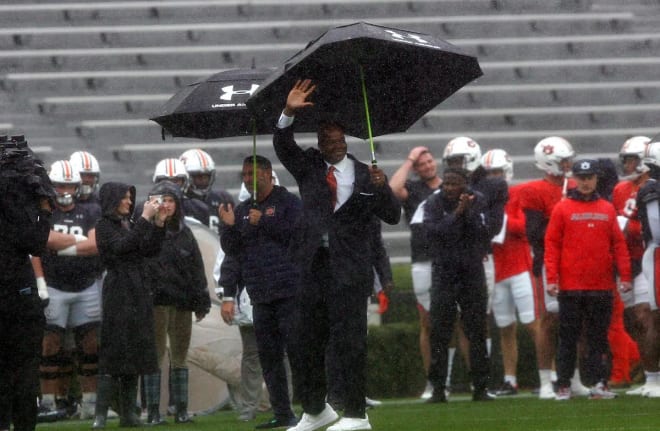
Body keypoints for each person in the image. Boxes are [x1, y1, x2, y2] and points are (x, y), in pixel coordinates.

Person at [274, 79, 401, 431]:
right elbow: (283, 147)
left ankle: (357, 415)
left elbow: (392, 215)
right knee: (304, 341)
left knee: (350, 343)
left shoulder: (365, 174)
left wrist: (383, 188)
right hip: (312, 267)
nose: (330, 143)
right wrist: (288, 111)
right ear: (317, 142)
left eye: (336, 137)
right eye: (323, 138)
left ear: (345, 140)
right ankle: (316, 411)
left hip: (349, 271)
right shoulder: (310, 167)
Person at [219, 155, 302, 430]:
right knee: (269, 358)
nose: (247, 179)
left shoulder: (287, 202)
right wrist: (229, 226)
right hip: (260, 294)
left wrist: (262, 223)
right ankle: (283, 413)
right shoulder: (243, 209)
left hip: (289, 290)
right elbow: (234, 251)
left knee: (299, 352)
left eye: (251, 173)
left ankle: (314, 406)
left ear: (267, 173)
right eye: (243, 175)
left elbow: (298, 234)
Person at [545, 159, 632, 400]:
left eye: (589, 177)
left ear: (596, 179)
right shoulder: (562, 208)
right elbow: (551, 245)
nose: (585, 182)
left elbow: (618, 245)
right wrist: (552, 278)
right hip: (571, 286)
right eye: (581, 178)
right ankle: (564, 385)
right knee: (568, 338)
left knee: (598, 338)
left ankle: (599, 384)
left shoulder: (606, 208)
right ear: (575, 178)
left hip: (601, 285)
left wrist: (624, 276)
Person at [518, 136, 589, 399]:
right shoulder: (533, 191)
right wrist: (562, 219)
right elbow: (534, 233)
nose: (569, 165)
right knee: (550, 321)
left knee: (577, 322)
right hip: (551, 263)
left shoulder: (574, 186)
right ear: (549, 163)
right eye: (563, 161)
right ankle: (546, 381)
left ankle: (573, 378)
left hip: (577, 261)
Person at [92, 182, 167, 428]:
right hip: (118, 292)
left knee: (135, 350)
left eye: (129, 198)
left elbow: (149, 250)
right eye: (124, 198)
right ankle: (100, 415)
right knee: (115, 350)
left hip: (138, 291)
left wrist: (159, 224)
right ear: (113, 200)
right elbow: (122, 248)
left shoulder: (130, 224)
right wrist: (145, 218)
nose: (129, 202)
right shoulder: (103, 226)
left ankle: (129, 414)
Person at [35, 160, 103, 420]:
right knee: (50, 347)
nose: (65, 190)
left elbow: (96, 245)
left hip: (86, 286)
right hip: (54, 286)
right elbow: (43, 241)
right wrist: (79, 242)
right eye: (60, 184)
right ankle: (50, 402)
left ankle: (90, 403)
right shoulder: (44, 213)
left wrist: (60, 246)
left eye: (69, 185)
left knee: (90, 346)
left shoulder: (90, 210)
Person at [142, 180, 211, 425]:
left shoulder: (185, 233)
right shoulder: (145, 230)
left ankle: (180, 409)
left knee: (180, 357)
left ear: (177, 204)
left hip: (182, 302)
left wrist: (202, 298)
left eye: (171, 200)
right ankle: (152, 412)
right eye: (162, 200)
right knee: (156, 356)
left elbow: (196, 268)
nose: (167, 205)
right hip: (156, 303)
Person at [423, 168, 493, 403]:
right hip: (444, 273)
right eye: (447, 184)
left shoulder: (478, 201)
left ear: (464, 184)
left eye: (455, 184)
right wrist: (458, 213)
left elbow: (483, 233)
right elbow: (435, 232)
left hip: (471, 273)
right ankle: (438, 388)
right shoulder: (433, 202)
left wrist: (468, 212)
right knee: (440, 332)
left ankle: (481, 386)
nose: (450, 188)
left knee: (476, 330)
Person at [0, 135, 54, 431]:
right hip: (16, 294)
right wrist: (44, 211)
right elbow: (34, 242)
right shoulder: (15, 198)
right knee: (23, 369)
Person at [481, 150, 541, 396]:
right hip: (497, 269)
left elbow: (526, 227)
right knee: (505, 327)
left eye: (497, 172)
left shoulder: (518, 193)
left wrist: (500, 219)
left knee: (532, 324)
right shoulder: (481, 197)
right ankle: (510, 379)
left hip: (519, 267)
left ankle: (550, 375)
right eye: (490, 173)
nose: (495, 177)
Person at [388, 146, 441, 399]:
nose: (428, 166)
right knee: (428, 323)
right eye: (422, 164)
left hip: (449, 260)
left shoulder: (450, 185)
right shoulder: (415, 189)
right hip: (422, 260)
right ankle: (433, 380)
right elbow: (392, 189)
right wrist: (409, 159)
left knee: (458, 322)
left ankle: (462, 379)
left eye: (429, 161)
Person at [612, 136, 660, 394]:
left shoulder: (652, 187)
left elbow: (649, 229)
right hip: (627, 261)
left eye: (632, 159)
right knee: (632, 321)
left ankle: (654, 374)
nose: (628, 165)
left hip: (648, 258)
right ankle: (649, 371)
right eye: (627, 160)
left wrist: (628, 227)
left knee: (646, 316)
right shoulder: (620, 190)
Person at [633, 139, 660, 397]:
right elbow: (657, 229)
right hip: (658, 254)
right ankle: (653, 379)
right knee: (656, 317)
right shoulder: (651, 188)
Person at [179, 148, 234, 235]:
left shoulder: (222, 199)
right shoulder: (177, 203)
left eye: (206, 176)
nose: (203, 181)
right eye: (198, 177)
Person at [147, 158, 210, 226]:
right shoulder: (144, 209)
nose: (170, 186)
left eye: (176, 181)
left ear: (184, 182)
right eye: (165, 181)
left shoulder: (198, 208)